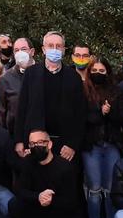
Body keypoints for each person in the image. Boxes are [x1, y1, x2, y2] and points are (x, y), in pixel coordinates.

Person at [9, 129, 88, 218]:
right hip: (37, 213)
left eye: (40, 142)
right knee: (14, 204)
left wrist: (51, 200)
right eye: (32, 144)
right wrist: (38, 196)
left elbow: (72, 201)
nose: (36, 146)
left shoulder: (65, 167)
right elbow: (19, 189)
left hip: (61, 215)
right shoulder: (28, 163)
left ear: (49, 144)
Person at [15, 31, 86, 161]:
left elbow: (80, 114)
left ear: (64, 50)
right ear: (43, 49)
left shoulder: (73, 77)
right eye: (50, 45)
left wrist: (72, 144)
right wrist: (19, 140)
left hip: (64, 145)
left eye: (58, 46)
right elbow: (22, 108)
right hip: (36, 142)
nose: (55, 49)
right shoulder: (31, 74)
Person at [82, 57, 123, 218]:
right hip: (91, 145)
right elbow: (82, 117)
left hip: (111, 145)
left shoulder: (117, 91)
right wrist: (99, 113)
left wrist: (110, 113)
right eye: (95, 70)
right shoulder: (83, 91)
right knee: (94, 188)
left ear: (108, 73)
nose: (98, 74)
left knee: (110, 188)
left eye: (102, 71)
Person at [0, 37, 34, 134]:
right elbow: (0, 112)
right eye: (16, 50)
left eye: (24, 49)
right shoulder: (5, 79)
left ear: (32, 52)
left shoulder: (43, 74)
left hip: (41, 137)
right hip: (15, 136)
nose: (20, 53)